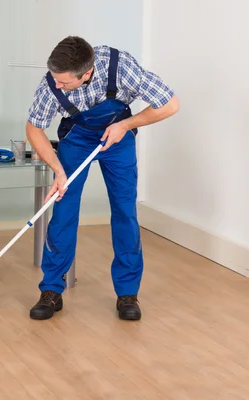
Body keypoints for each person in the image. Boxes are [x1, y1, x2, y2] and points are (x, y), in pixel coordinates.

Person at [26, 36, 179, 321]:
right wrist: (59, 172)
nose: (56, 86)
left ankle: (127, 293)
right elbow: (34, 128)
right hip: (77, 137)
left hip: (118, 135)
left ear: (86, 73)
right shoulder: (52, 82)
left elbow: (170, 104)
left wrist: (126, 124)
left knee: (125, 211)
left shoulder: (121, 68)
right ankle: (51, 290)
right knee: (64, 209)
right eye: (55, 80)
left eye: (64, 83)